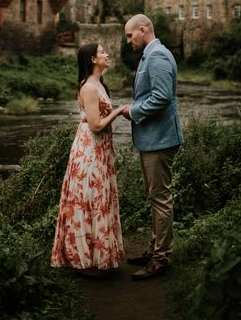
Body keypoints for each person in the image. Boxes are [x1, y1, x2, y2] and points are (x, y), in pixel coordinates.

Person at [51, 42, 125, 275]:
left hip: (99, 150)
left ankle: (98, 256)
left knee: (98, 199)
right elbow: (95, 125)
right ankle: (83, 260)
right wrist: (119, 110)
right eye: (103, 51)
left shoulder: (99, 85)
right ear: (93, 59)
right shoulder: (89, 88)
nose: (107, 54)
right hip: (90, 151)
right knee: (87, 200)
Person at [122, 14, 184, 280]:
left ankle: (160, 259)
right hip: (153, 138)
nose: (128, 41)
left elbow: (161, 97)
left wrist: (133, 111)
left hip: (160, 140)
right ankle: (154, 249)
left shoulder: (157, 56)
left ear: (143, 30)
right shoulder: (151, 54)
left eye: (129, 35)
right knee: (155, 196)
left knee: (160, 199)